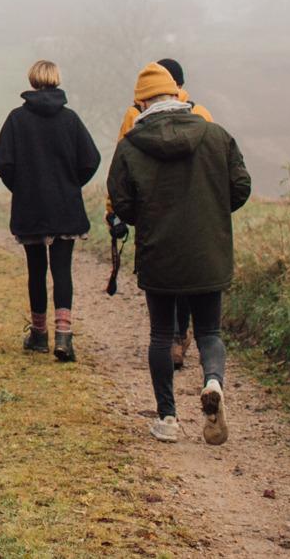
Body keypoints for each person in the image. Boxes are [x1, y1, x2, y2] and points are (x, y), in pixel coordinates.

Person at [107, 61, 251, 446]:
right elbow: (240, 187)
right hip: (209, 251)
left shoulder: (130, 146)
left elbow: (121, 202)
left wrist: (149, 221)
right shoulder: (216, 135)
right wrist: (212, 215)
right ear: (177, 94)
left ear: (142, 102)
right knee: (208, 331)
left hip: (160, 253)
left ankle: (168, 418)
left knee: (160, 334)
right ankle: (213, 382)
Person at [0, 60, 101, 362]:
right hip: (65, 207)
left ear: (32, 80)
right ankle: (64, 336)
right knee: (62, 270)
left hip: (31, 207)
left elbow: (3, 161)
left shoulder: (16, 120)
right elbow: (91, 159)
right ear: (56, 80)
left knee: (36, 271)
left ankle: (39, 335)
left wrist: (21, 187)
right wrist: (70, 184)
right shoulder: (71, 120)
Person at [111, 58, 214, 373]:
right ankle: (183, 339)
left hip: (154, 214)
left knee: (163, 280)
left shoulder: (135, 116)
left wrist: (117, 212)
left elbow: (120, 172)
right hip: (197, 214)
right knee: (188, 280)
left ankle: (171, 340)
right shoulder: (201, 116)